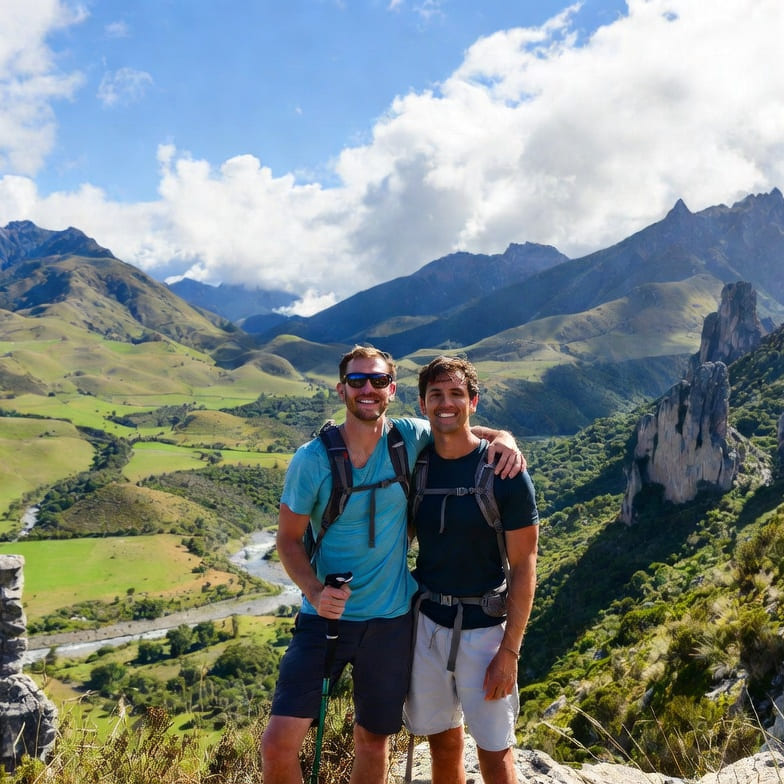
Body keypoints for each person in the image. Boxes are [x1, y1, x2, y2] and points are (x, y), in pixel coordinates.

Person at [260, 345, 524, 784]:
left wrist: (504, 439)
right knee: (278, 744)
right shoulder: (312, 460)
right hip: (323, 619)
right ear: (341, 387)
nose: (368, 389)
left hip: (391, 621)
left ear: (392, 389)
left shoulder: (407, 438)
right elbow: (287, 540)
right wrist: (314, 593)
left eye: (378, 381)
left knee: (373, 738)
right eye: (358, 381)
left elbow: (457, 427)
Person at [403, 356, 539, 784]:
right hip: (427, 625)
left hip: (485, 631)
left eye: (456, 394)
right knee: (443, 745)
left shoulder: (506, 473)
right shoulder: (416, 463)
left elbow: (524, 566)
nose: (446, 404)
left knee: (496, 754)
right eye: (436, 395)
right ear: (423, 405)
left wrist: (509, 653)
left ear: (473, 401)